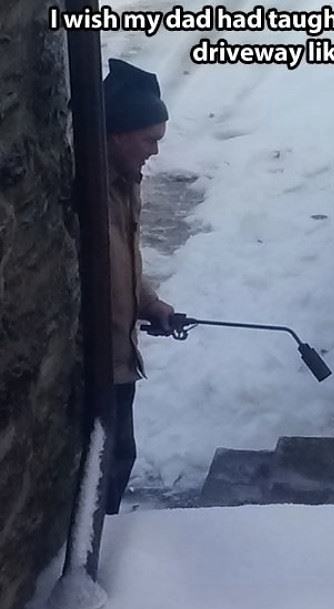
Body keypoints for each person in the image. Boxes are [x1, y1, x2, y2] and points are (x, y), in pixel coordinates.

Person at [103, 58, 174, 514]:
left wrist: (149, 303)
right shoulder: (87, 189)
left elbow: (122, 260)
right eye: (149, 139)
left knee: (119, 458)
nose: (154, 151)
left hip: (120, 359)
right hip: (97, 363)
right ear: (118, 134)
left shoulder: (125, 183)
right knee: (105, 464)